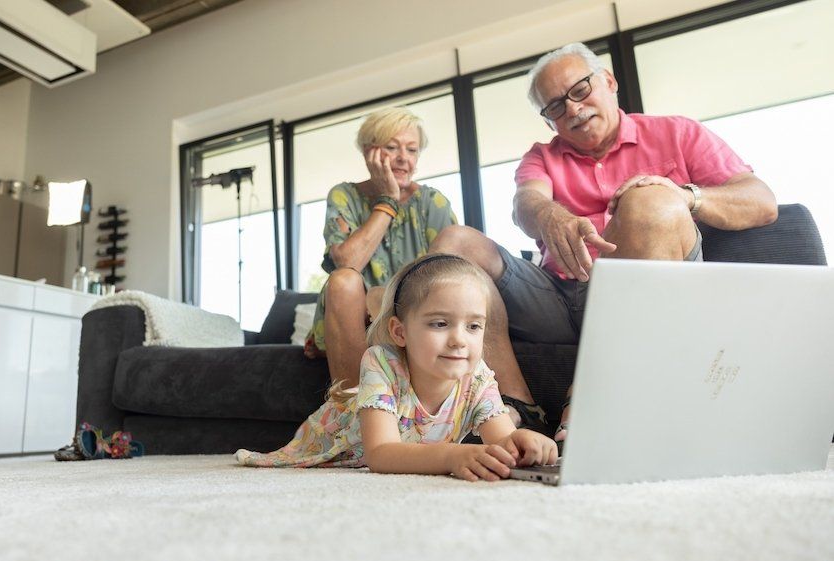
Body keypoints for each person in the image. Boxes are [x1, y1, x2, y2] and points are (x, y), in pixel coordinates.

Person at [429, 43, 778, 445]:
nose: (573, 109)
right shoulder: (541, 157)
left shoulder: (678, 132)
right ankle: (515, 407)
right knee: (455, 242)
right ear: (549, 121)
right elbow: (526, 203)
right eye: (555, 106)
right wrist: (548, 214)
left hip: (643, 287)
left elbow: (762, 201)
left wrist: (684, 196)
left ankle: (593, 389)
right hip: (558, 296)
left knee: (650, 200)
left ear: (609, 82)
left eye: (580, 90)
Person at [237, 254, 558, 480]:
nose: (459, 340)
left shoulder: (477, 378)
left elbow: (502, 439)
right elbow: (381, 454)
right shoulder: (381, 362)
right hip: (331, 449)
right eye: (440, 323)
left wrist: (524, 443)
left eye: (474, 326)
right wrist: (451, 456)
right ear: (400, 332)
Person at [303, 107, 458, 390]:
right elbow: (347, 263)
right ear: (369, 153)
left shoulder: (432, 203)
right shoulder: (344, 195)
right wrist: (388, 201)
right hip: (355, 316)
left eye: (412, 150)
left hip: (414, 315)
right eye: (392, 147)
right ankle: (352, 407)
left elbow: (450, 282)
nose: (403, 158)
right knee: (344, 280)